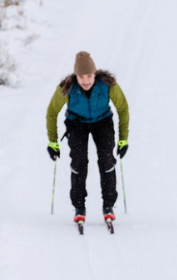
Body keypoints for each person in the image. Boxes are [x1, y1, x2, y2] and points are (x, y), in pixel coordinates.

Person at [46, 51, 130, 224]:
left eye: (89, 76)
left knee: (107, 160)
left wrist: (123, 139)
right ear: (75, 75)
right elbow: (52, 112)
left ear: (95, 73)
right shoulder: (67, 87)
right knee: (79, 161)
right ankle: (79, 206)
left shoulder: (108, 84)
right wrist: (53, 142)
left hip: (102, 122)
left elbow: (123, 108)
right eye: (81, 76)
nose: (85, 81)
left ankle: (108, 204)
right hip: (77, 123)